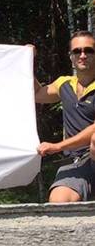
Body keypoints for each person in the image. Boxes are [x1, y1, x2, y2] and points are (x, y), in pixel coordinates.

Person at [34, 30, 95, 203]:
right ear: (71, 57)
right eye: (77, 51)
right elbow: (37, 94)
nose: (82, 55)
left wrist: (57, 146)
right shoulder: (64, 84)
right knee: (59, 203)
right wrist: (26, 61)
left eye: (88, 50)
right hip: (76, 162)